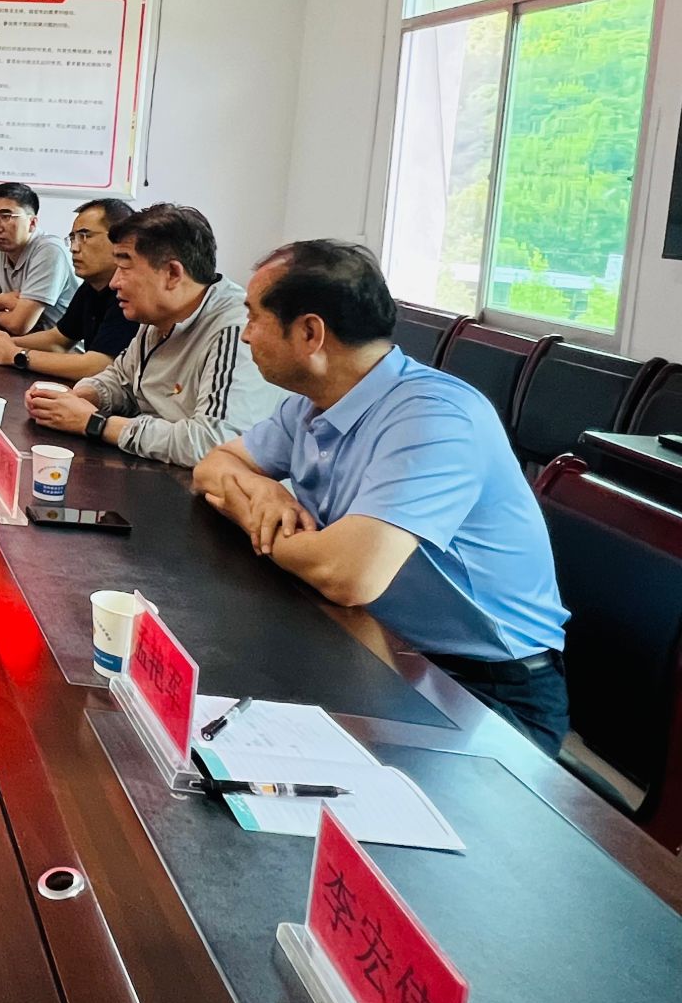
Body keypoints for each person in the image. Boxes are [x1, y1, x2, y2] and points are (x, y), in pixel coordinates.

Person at [195, 241, 570, 754]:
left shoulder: (433, 417)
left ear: (309, 333)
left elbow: (348, 575)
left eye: (254, 317)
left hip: (484, 690)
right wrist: (262, 490)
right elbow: (213, 467)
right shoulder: (315, 402)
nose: (246, 334)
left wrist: (251, 519)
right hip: (376, 645)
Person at [27, 203, 280, 467]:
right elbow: (122, 379)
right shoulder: (157, 317)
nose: (114, 283)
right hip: (155, 468)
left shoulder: (236, 331)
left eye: (125, 267)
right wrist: (80, 397)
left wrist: (96, 423)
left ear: (172, 274)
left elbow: (214, 443)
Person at [0, 198, 138, 383]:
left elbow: (98, 366)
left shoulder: (130, 292)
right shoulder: (91, 287)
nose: (74, 248)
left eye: (85, 236)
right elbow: (58, 340)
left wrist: (15, 354)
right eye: (73, 238)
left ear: (120, 240)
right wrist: (1, 343)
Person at [0, 181, 77, 333]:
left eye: (6, 217)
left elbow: (19, 325)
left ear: (32, 223)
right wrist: (2, 300)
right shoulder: (1, 248)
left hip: (57, 346)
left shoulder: (50, 251)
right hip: (22, 341)